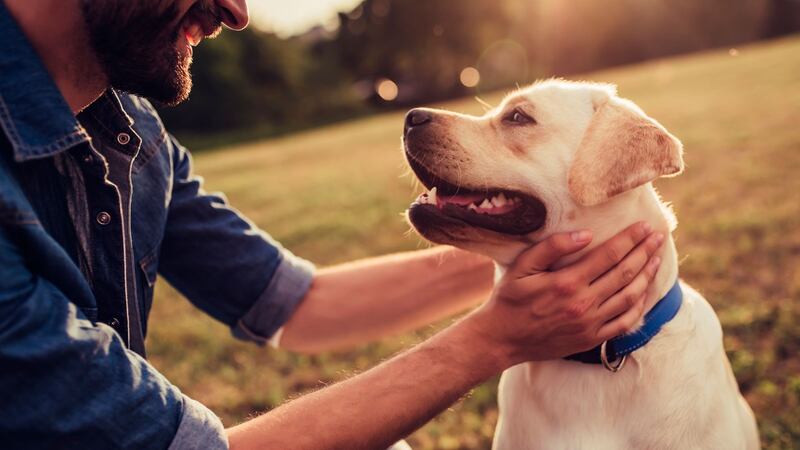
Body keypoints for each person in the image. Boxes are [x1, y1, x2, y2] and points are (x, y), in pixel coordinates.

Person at [0, 1, 664, 449]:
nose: (235, 10)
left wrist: (552, 244)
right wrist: (491, 341)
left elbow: (299, 304)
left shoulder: (131, 133)